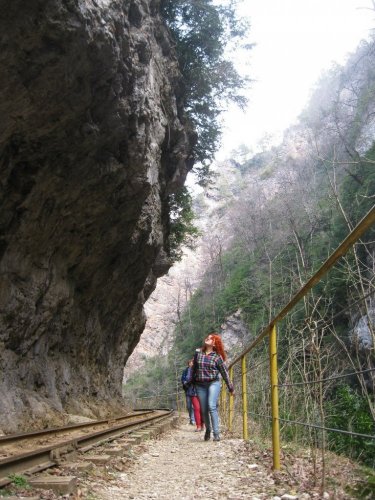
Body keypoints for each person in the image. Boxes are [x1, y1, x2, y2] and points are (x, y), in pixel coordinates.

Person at [188, 333, 235, 442]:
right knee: (203, 410)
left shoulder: (217, 357)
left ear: (214, 343)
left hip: (213, 383)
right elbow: (194, 369)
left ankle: (216, 433)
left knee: (211, 405)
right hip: (200, 385)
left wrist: (231, 388)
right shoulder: (198, 353)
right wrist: (191, 382)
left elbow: (224, 373)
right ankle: (208, 430)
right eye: (207, 337)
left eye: (210, 338)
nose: (207, 338)